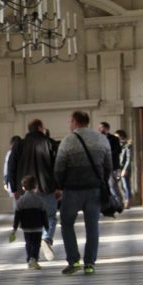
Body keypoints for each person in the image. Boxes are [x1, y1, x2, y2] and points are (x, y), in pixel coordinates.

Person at [54, 111, 111, 275]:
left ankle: (74, 261)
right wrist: (101, 181)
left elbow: (59, 168)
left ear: (74, 122)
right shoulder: (101, 139)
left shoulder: (68, 140)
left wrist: (60, 186)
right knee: (92, 227)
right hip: (94, 190)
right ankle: (90, 263)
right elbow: (108, 165)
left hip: (72, 190)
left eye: (70, 121)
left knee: (66, 224)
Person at [7, 118, 58, 261]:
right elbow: (58, 167)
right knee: (50, 217)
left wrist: (14, 188)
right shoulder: (50, 143)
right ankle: (46, 239)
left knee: (29, 222)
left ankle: (31, 254)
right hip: (46, 188)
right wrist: (59, 186)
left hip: (24, 190)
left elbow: (11, 167)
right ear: (41, 128)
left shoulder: (19, 145)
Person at [10, 175, 48, 269]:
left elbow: (17, 215)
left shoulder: (20, 200)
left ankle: (29, 258)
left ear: (23, 187)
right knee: (36, 243)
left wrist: (14, 228)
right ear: (36, 186)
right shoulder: (39, 200)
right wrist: (46, 226)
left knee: (28, 242)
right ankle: (34, 259)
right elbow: (44, 214)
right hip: (37, 226)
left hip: (26, 227)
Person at [98, 121, 125, 207]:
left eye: (102, 127)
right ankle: (111, 204)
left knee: (113, 186)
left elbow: (118, 151)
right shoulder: (98, 139)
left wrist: (107, 154)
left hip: (113, 166)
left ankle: (119, 203)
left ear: (107, 129)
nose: (100, 129)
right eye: (99, 128)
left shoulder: (114, 139)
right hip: (102, 167)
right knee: (106, 187)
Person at [116, 129, 133, 209]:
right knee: (121, 186)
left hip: (125, 168)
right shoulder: (119, 145)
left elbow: (129, 159)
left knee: (126, 185)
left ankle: (128, 201)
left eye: (117, 136)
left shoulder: (128, 145)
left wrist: (125, 169)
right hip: (119, 168)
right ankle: (123, 200)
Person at [3, 135, 21, 203]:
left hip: (13, 182)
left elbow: (7, 169)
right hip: (20, 182)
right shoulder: (23, 152)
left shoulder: (9, 154)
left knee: (16, 204)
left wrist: (5, 181)